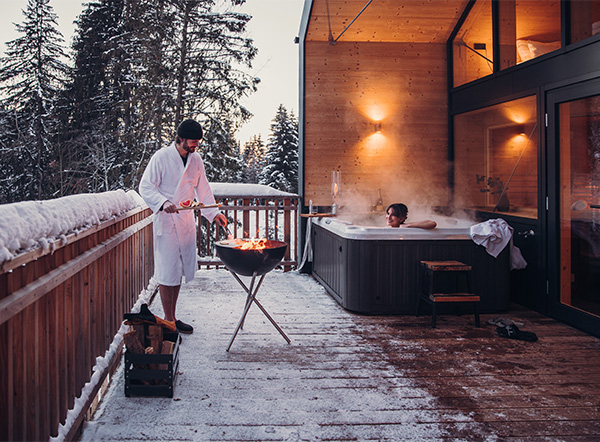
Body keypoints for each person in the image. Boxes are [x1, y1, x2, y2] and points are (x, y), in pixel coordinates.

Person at [139, 119, 227, 334]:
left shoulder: (196, 160)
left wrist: (214, 213)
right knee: (167, 269)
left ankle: (171, 318)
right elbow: (146, 187)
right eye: (192, 141)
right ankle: (169, 320)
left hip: (185, 219)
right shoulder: (161, 157)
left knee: (177, 270)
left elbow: (203, 188)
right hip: (167, 220)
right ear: (180, 138)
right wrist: (163, 203)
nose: (195, 145)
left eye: (198, 142)